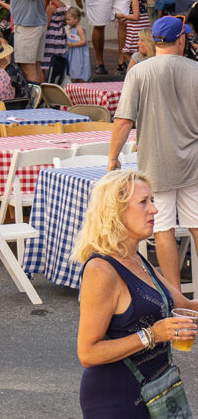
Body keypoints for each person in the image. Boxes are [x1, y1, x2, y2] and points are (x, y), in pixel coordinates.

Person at [75, 169, 198, 418]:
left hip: (154, 389)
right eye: (143, 202)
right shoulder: (101, 270)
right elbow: (87, 353)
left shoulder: (137, 259)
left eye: (152, 201)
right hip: (115, 398)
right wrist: (153, 335)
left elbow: (187, 305)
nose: (154, 209)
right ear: (115, 212)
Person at [107, 16, 198, 290]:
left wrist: (112, 158)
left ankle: (174, 296)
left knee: (163, 229)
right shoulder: (196, 70)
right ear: (181, 39)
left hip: (156, 164)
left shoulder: (139, 72)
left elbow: (123, 121)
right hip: (194, 161)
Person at [117, 0, 153, 71]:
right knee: (141, 50)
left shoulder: (135, 0)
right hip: (143, 28)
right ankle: (141, 65)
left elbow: (136, 17)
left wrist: (123, 16)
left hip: (135, 30)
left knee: (126, 50)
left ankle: (136, 65)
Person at [42, 0, 68, 76]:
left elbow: (47, 23)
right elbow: (64, 21)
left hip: (51, 36)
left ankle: (47, 78)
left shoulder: (51, 7)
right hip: (60, 34)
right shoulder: (63, 5)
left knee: (47, 57)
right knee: (57, 56)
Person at [64, 7, 93, 82]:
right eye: (66, 20)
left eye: (69, 20)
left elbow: (84, 41)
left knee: (79, 71)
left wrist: (72, 44)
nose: (67, 22)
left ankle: (81, 86)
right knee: (73, 71)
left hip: (79, 55)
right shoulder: (72, 28)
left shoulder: (79, 29)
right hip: (73, 54)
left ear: (76, 19)